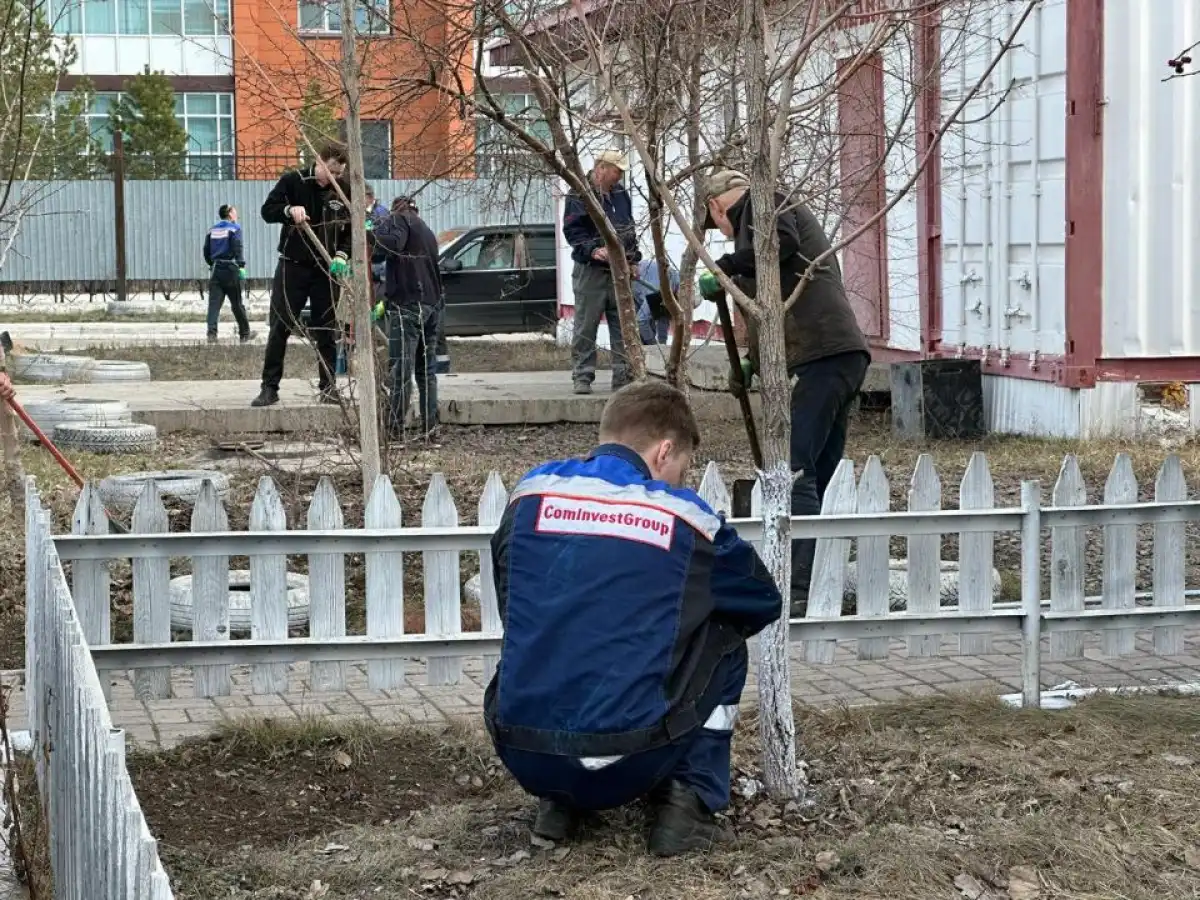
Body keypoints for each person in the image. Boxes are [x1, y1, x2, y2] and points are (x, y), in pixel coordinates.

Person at [484, 381, 783, 857]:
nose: (681, 480)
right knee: (725, 639)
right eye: (683, 467)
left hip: (523, 749)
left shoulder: (531, 494)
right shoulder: (682, 516)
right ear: (664, 451)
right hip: (630, 758)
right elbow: (763, 601)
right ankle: (688, 807)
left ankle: (559, 804)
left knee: (546, 622)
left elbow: (510, 595)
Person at [699, 169, 871, 617]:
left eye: (714, 223)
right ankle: (820, 575)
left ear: (717, 206)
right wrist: (753, 360)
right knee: (820, 471)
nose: (721, 232)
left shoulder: (764, 202)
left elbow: (780, 247)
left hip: (822, 354)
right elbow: (771, 304)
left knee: (796, 470)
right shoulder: (757, 226)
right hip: (837, 353)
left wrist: (726, 268)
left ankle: (798, 587)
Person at [252, 144, 352, 408]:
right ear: (319, 161)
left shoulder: (343, 189)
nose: (334, 177)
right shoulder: (293, 181)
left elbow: (352, 230)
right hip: (293, 266)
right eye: (331, 171)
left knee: (326, 330)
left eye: (339, 173)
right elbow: (267, 211)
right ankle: (269, 387)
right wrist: (288, 211)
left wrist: (342, 254)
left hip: (326, 269)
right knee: (280, 327)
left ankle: (329, 388)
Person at [562, 149, 640, 395]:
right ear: (601, 169)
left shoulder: (620, 194)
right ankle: (583, 375)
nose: (620, 176)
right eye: (617, 170)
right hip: (591, 271)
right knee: (587, 325)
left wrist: (633, 259)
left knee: (623, 325)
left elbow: (629, 228)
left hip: (619, 270)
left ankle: (623, 377)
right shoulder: (580, 193)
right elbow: (573, 230)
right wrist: (593, 250)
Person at [370, 195, 443, 437]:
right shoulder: (426, 231)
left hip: (409, 303)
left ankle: (395, 429)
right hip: (432, 304)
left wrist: (370, 233)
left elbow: (393, 244)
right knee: (426, 372)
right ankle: (430, 429)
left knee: (401, 370)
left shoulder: (399, 219)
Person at [202, 205, 254, 344]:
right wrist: (241, 265)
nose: (237, 214)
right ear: (230, 214)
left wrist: (212, 263)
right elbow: (237, 246)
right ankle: (244, 334)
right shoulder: (234, 228)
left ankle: (211, 335)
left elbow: (206, 250)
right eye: (235, 211)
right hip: (231, 269)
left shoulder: (212, 230)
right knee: (237, 304)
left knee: (214, 305)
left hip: (216, 270)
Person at [633, 256, 680, 345]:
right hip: (636, 285)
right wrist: (654, 346)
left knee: (655, 321)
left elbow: (664, 318)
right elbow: (640, 320)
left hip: (650, 284)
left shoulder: (676, 279)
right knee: (643, 328)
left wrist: (663, 345)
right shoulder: (660, 288)